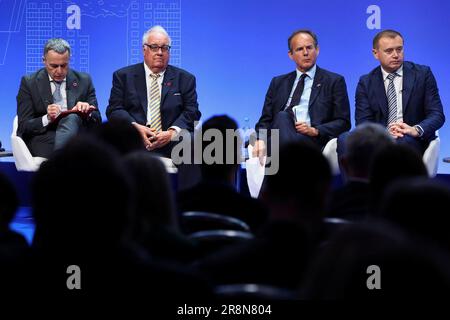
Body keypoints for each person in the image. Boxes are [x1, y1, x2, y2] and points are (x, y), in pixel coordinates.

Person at [106, 25, 201, 158]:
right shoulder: (123, 76)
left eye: (164, 48)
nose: (160, 52)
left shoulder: (185, 79)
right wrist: (135, 127)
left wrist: (172, 133)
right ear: (144, 50)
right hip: (135, 138)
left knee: (192, 141)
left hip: (171, 141)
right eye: (154, 47)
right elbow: (114, 109)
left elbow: (192, 111)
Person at [253, 29, 350, 157]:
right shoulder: (278, 82)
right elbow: (265, 120)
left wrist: (315, 130)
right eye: (299, 49)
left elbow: (343, 122)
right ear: (290, 55)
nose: (305, 53)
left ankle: (280, 174)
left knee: (280, 129)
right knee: (282, 117)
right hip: (278, 138)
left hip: (311, 141)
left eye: (309, 48)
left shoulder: (334, 81)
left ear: (317, 50)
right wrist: (260, 139)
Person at [355, 29, 445, 154]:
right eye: (389, 51)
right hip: (378, 139)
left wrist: (416, 129)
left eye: (399, 49)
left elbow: (437, 115)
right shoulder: (366, 82)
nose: (396, 55)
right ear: (375, 53)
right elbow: (363, 122)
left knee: (401, 143)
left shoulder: (422, 74)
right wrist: (384, 134)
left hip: (411, 138)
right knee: (343, 140)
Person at [16, 38, 101, 158]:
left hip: (77, 136)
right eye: (54, 66)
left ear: (69, 60)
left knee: (72, 117)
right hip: (44, 137)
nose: (59, 71)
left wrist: (87, 112)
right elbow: (24, 125)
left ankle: (60, 162)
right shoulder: (29, 82)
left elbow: (97, 120)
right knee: (78, 153)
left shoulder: (84, 80)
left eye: (64, 65)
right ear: (44, 61)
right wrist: (47, 118)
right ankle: (63, 160)